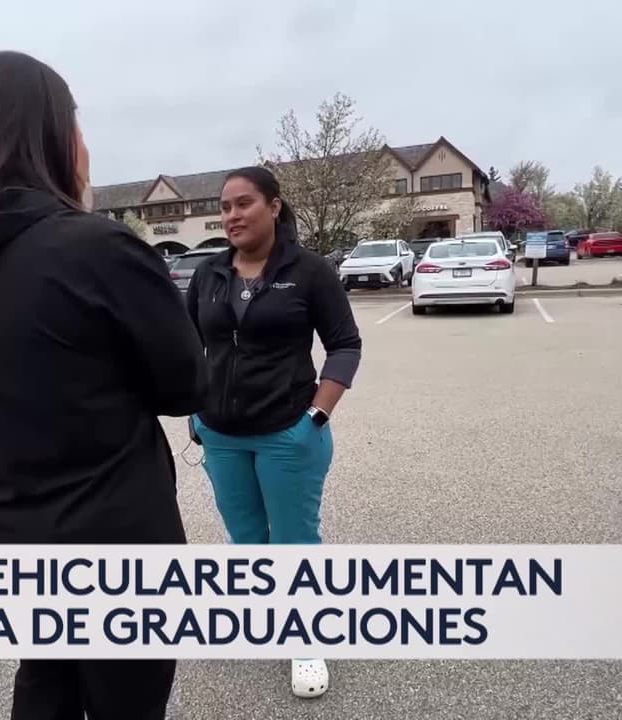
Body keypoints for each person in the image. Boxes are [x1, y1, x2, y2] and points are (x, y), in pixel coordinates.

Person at [0, 50, 204, 720]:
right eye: (76, 124)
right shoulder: (97, 247)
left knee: (45, 679)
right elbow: (186, 384)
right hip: (116, 538)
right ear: (50, 134)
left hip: (9, 529)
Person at [185, 166, 362, 699]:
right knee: (246, 538)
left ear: (274, 206)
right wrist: (194, 411)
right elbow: (185, 345)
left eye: (243, 204)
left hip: (288, 432)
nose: (232, 216)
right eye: (225, 207)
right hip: (221, 436)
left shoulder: (309, 271)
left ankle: (306, 639)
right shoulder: (209, 273)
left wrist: (317, 417)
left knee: (294, 540)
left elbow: (345, 344)